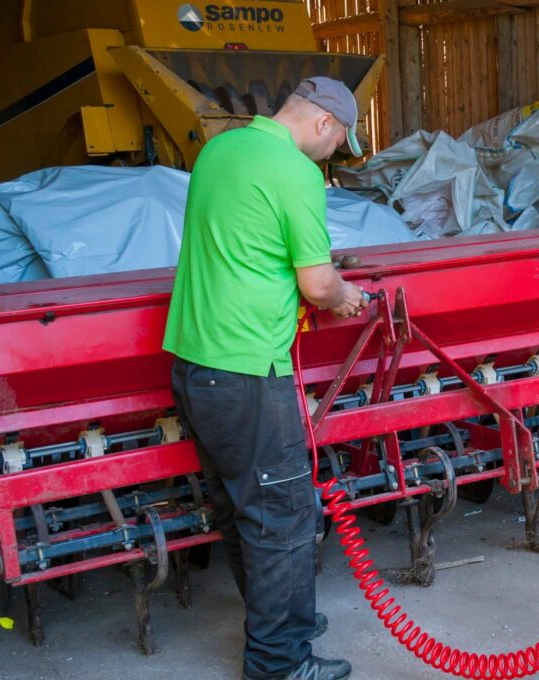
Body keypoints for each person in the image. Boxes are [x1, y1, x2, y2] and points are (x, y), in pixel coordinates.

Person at [163, 76, 369, 680]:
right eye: (339, 142)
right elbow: (318, 284)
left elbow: (247, 241)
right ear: (323, 123)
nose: (334, 154)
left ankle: (283, 621)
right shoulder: (295, 171)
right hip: (250, 371)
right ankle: (279, 663)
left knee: (240, 508)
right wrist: (344, 295)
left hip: (195, 366)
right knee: (283, 516)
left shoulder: (219, 150)